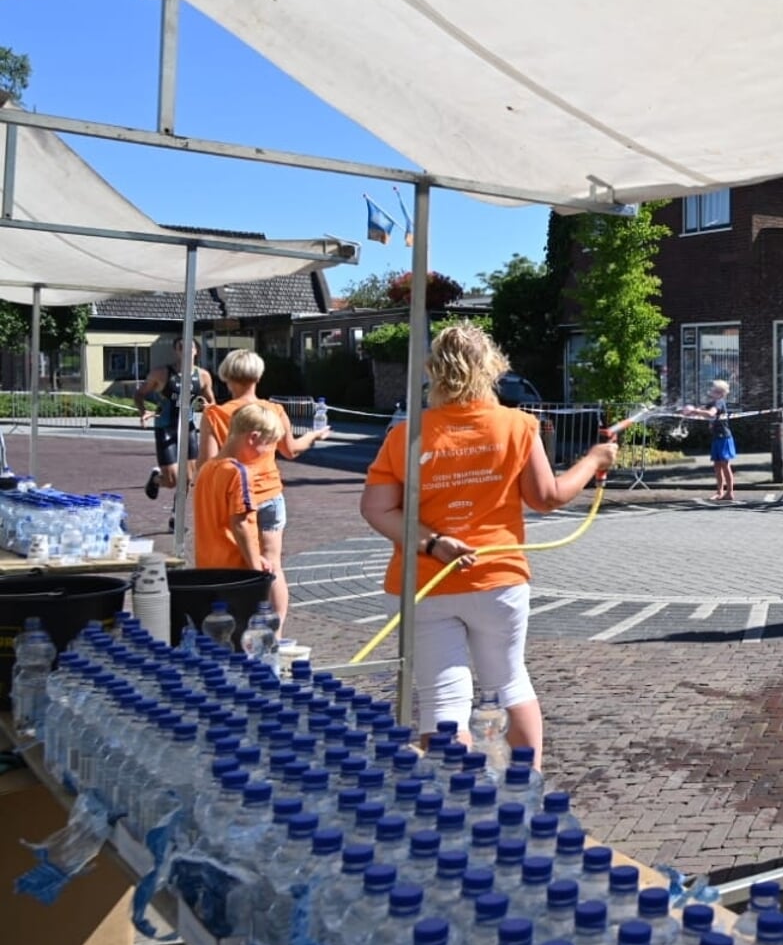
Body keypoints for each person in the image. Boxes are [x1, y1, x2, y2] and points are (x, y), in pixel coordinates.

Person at [359, 324, 617, 768]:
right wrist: (594, 460)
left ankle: (450, 801)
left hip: (424, 582)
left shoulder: (407, 435)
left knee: (443, 703)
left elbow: (377, 509)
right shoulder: (517, 425)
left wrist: (434, 542)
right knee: (509, 683)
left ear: (434, 372)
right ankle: (526, 793)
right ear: (491, 368)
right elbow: (547, 497)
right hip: (498, 580)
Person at [200, 350, 332, 628]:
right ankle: (277, 630)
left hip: (232, 493)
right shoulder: (273, 411)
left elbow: (207, 464)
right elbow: (291, 449)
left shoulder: (214, 414)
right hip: (270, 494)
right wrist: (314, 435)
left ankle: (241, 622)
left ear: (226, 377)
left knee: (237, 560)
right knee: (273, 564)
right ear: (258, 376)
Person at [193, 401, 283, 577]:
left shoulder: (206, 469)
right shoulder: (239, 473)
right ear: (253, 438)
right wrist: (255, 566)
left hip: (207, 565)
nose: (266, 453)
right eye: (268, 445)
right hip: (235, 569)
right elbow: (241, 525)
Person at [135, 336, 214, 500]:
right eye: (181, 347)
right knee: (172, 481)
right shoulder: (161, 373)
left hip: (189, 428)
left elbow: (211, 402)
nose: (185, 351)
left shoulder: (203, 376)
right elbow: (139, 394)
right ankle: (157, 478)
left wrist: (206, 407)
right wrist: (143, 411)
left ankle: (175, 519)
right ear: (176, 351)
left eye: (189, 347)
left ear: (196, 351)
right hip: (166, 428)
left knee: (188, 478)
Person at [681, 378, 736, 501]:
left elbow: (711, 414)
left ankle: (730, 492)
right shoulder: (712, 402)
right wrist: (688, 412)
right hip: (717, 438)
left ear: (721, 393)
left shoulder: (719, 402)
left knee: (725, 465)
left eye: (715, 390)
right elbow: (703, 410)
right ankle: (719, 492)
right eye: (712, 390)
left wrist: (695, 411)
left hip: (724, 438)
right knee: (717, 465)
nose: (711, 392)